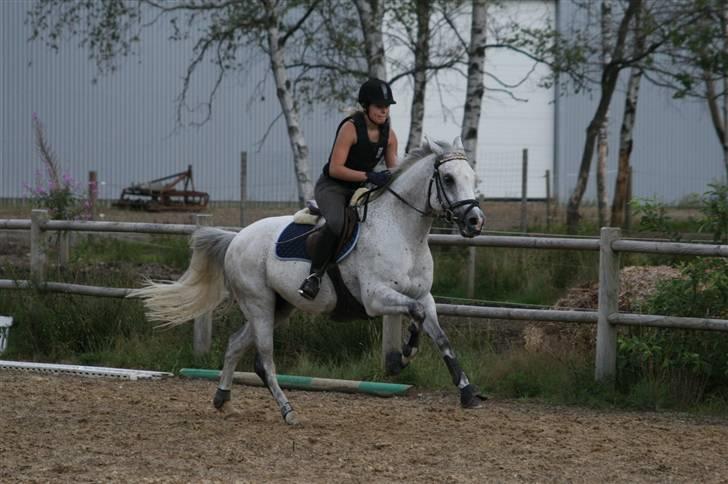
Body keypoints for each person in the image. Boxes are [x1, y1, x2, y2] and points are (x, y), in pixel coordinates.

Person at [298, 78, 399, 300]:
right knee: (337, 223)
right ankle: (314, 276)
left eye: (387, 107)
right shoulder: (350, 128)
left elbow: (394, 170)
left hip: (360, 189)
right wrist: (370, 176)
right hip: (332, 187)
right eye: (379, 107)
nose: (384, 111)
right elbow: (335, 169)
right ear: (366, 106)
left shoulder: (389, 136)